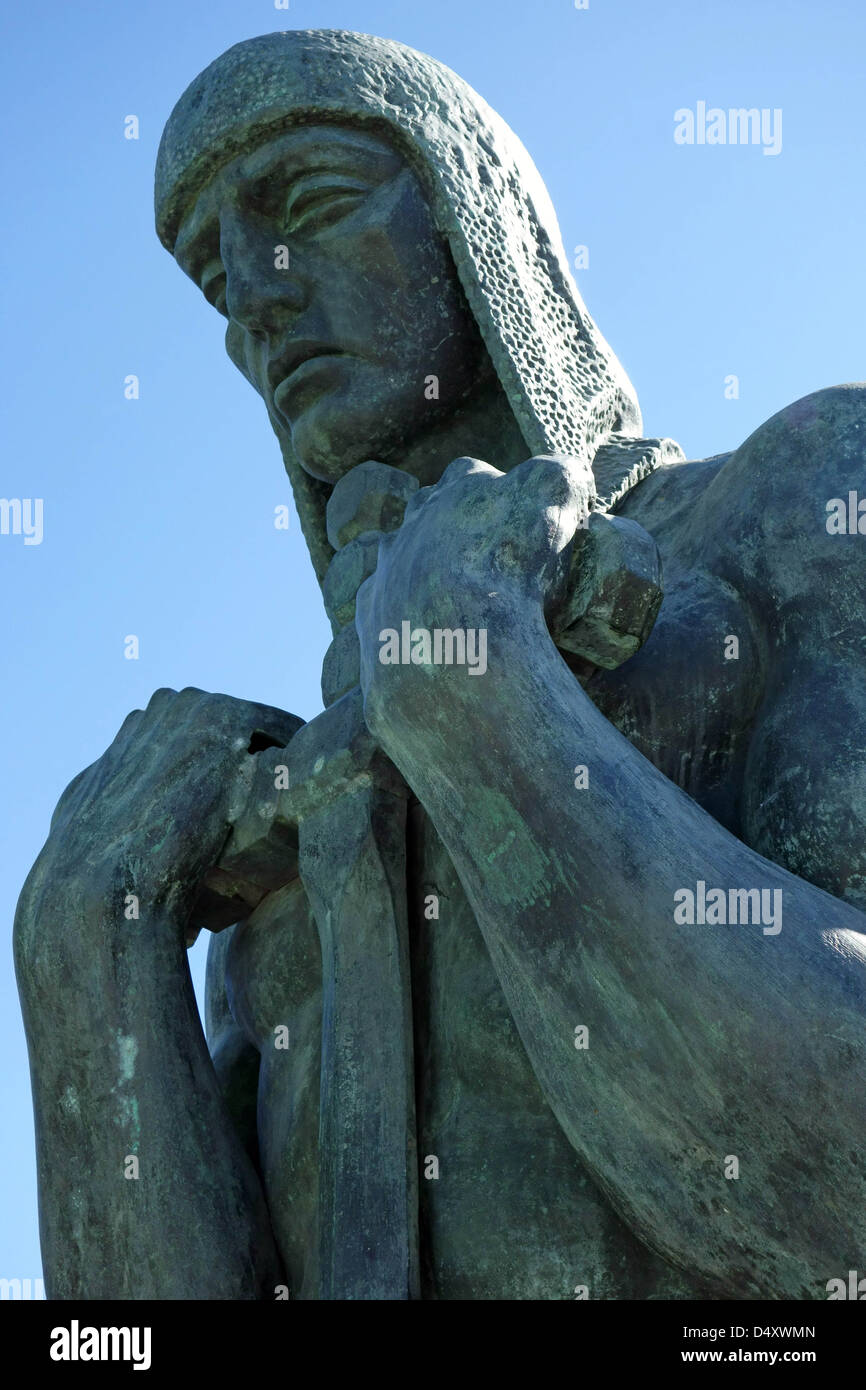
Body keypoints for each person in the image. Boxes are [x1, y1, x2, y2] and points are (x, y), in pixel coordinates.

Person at [15, 29, 866, 1301]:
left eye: (305, 202)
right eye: (213, 279)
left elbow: (830, 1210)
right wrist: (85, 946)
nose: (256, 294)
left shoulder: (796, 503)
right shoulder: (276, 835)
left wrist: (482, 713)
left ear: (482, 219)